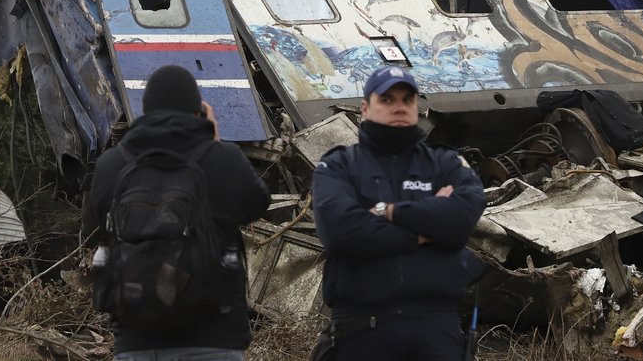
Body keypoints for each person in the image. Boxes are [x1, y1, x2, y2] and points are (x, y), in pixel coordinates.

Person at [84, 64, 270, 361]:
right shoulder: (222, 159)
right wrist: (215, 144)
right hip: (213, 338)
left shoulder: (111, 166)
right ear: (197, 110)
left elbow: (93, 229)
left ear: (145, 111)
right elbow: (258, 204)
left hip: (137, 341)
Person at [312, 66, 486, 361]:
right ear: (366, 108)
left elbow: (460, 221)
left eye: (407, 100)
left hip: (437, 332)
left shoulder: (445, 164)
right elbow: (343, 232)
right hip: (360, 332)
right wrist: (425, 231)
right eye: (387, 100)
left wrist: (385, 211)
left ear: (417, 107)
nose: (399, 107)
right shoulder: (338, 166)